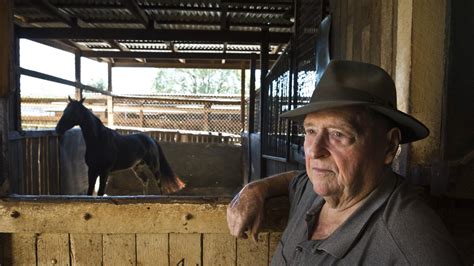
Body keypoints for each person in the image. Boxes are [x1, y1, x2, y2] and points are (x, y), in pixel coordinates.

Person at [227, 60, 462, 265]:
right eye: (310, 131)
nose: (315, 151)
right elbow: (293, 180)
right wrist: (255, 189)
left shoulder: (413, 247)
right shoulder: (313, 191)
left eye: (339, 134)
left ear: (389, 147)